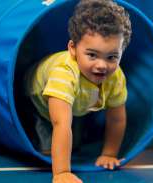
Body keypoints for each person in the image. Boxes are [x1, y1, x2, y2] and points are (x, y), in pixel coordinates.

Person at [24, 0, 132, 182]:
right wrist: (62, 172)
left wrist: (109, 153)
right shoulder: (64, 74)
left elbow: (116, 118)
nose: (102, 65)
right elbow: (60, 124)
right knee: (48, 150)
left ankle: (80, 123)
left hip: (78, 104)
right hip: (36, 101)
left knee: (76, 140)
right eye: (92, 55)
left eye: (112, 57)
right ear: (73, 49)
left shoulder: (116, 77)